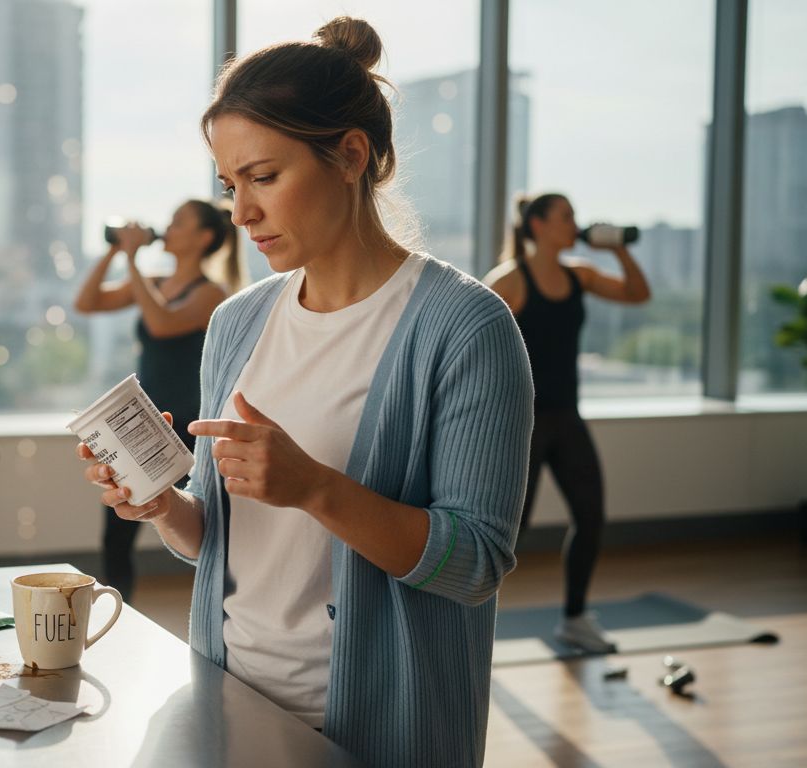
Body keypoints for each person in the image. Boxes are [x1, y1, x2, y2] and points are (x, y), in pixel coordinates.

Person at [76, 18, 533, 767]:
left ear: (351, 155)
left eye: (264, 177)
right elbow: (226, 546)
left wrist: (318, 489)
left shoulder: (465, 326)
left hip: (374, 727)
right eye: (229, 185)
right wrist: (164, 506)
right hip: (227, 704)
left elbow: (476, 564)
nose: (241, 213)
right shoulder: (236, 323)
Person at [484, 193, 651, 652]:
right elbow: (467, 336)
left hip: (567, 418)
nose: (575, 224)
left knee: (592, 516)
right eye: (566, 217)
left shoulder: (580, 274)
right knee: (510, 531)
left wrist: (615, 248)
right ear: (537, 225)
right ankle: (472, 623)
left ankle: (575, 618)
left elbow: (639, 293)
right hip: (523, 422)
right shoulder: (511, 280)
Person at [73, 202, 242, 600]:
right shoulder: (153, 281)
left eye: (178, 222)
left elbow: (161, 323)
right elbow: (87, 302)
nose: (167, 227)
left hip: (186, 424)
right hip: (144, 423)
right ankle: (119, 614)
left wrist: (132, 259)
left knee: (206, 528)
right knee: (117, 530)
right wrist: (117, 251)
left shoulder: (210, 293)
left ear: (203, 238)